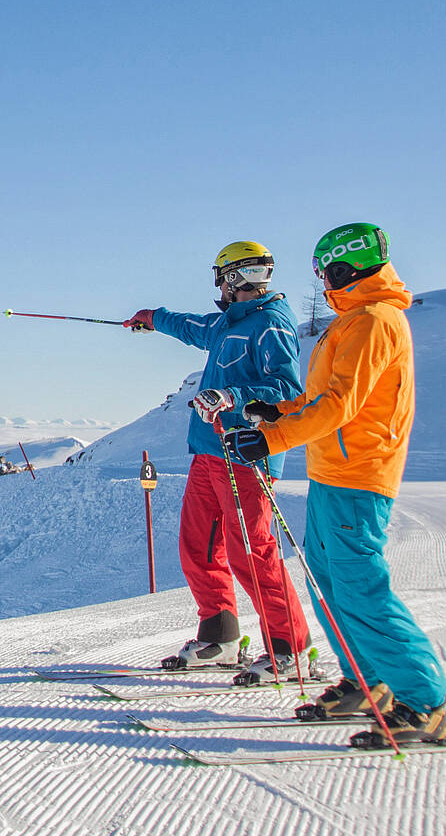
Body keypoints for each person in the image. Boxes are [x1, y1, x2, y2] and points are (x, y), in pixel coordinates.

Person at [221, 222, 446, 747]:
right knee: (329, 584)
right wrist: (274, 411)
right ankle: (366, 682)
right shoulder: (353, 319)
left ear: (343, 267)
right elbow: (321, 398)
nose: (321, 279)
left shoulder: (374, 320)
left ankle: (426, 701)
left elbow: (340, 404)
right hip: (333, 473)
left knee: (360, 587)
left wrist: (272, 440)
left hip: (360, 475)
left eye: (323, 270)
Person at [126, 240, 310, 679]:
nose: (220, 286)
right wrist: (153, 318)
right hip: (210, 452)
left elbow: (286, 389)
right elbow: (194, 327)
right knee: (199, 548)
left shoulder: (271, 324)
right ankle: (220, 639)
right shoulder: (231, 322)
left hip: (245, 455)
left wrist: (231, 395)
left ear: (231, 277)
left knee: (252, 552)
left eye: (220, 276)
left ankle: (290, 649)